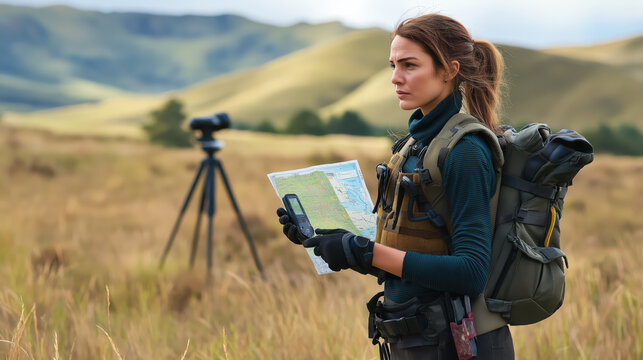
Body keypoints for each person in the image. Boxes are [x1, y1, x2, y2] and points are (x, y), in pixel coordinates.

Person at [277, 14, 515, 360]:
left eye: (409, 65)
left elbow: (471, 272)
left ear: (448, 70)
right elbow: (410, 254)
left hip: (461, 345)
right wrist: (336, 243)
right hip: (415, 340)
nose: (395, 77)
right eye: (393, 64)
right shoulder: (413, 146)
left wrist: (366, 251)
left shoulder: (465, 151)